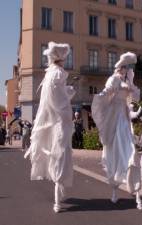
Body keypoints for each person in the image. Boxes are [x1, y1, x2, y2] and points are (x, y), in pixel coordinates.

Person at [24, 42, 75, 213]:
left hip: (53, 121)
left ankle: (58, 196)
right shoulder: (58, 74)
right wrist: (69, 93)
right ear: (61, 59)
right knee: (60, 154)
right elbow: (58, 101)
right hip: (59, 121)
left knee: (57, 154)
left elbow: (53, 97)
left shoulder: (50, 75)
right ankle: (57, 200)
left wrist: (66, 91)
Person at [91, 52, 142, 210]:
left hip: (125, 121)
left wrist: (139, 92)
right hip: (115, 119)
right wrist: (99, 96)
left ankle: (138, 195)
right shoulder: (113, 79)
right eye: (125, 68)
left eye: (128, 68)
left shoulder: (128, 80)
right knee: (114, 155)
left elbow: (135, 97)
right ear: (120, 68)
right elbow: (106, 93)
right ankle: (114, 191)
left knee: (132, 154)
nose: (127, 70)